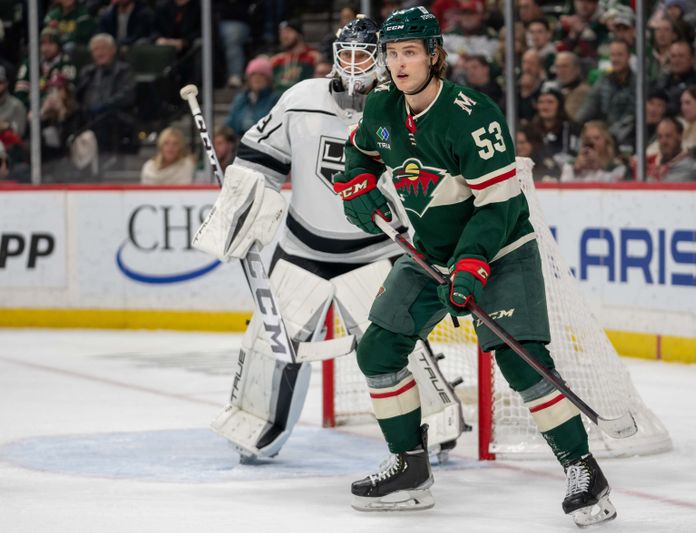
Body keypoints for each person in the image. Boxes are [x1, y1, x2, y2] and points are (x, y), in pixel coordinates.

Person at [332, 7, 616, 526]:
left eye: (410, 52)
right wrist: (356, 187)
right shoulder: (381, 109)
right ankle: (410, 469)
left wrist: (471, 266)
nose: (398, 64)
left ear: (434, 55)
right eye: (392, 54)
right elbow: (361, 157)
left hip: (502, 250)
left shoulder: (473, 114)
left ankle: (584, 471)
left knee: (521, 359)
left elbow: (501, 207)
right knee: (378, 348)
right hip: (429, 253)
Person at [197, 15, 465, 466]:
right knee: (268, 342)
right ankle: (255, 421)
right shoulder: (301, 98)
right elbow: (258, 158)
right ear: (335, 57)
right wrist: (242, 206)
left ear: (383, 60)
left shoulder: (405, 108)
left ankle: (432, 424)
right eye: (348, 55)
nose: (356, 65)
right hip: (302, 251)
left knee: (398, 344)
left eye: (365, 55)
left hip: (375, 253)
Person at [224, 56, 280, 136]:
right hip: (239, 144)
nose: (257, 78)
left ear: (268, 79)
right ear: (248, 78)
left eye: (261, 74)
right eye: (253, 74)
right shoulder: (241, 99)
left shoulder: (275, 99)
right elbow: (230, 124)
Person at [561, 120, 627, 182]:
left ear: (606, 141)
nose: (592, 142)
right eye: (587, 138)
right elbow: (562, 187)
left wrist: (599, 166)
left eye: (596, 138)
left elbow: (613, 188)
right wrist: (576, 170)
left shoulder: (616, 167)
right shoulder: (570, 165)